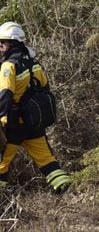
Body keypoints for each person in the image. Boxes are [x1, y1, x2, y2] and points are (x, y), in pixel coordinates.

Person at [0, 21, 71, 194]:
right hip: (34, 124)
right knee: (47, 160)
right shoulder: (34, 63)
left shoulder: (8, 66)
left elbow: (5, 96)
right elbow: (44, 88)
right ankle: (65, 189)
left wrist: (2, 119)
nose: (0, 46)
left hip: (13, 126)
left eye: (2, 42)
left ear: (12, 43)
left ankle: (3, 201)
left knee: (2, 162)